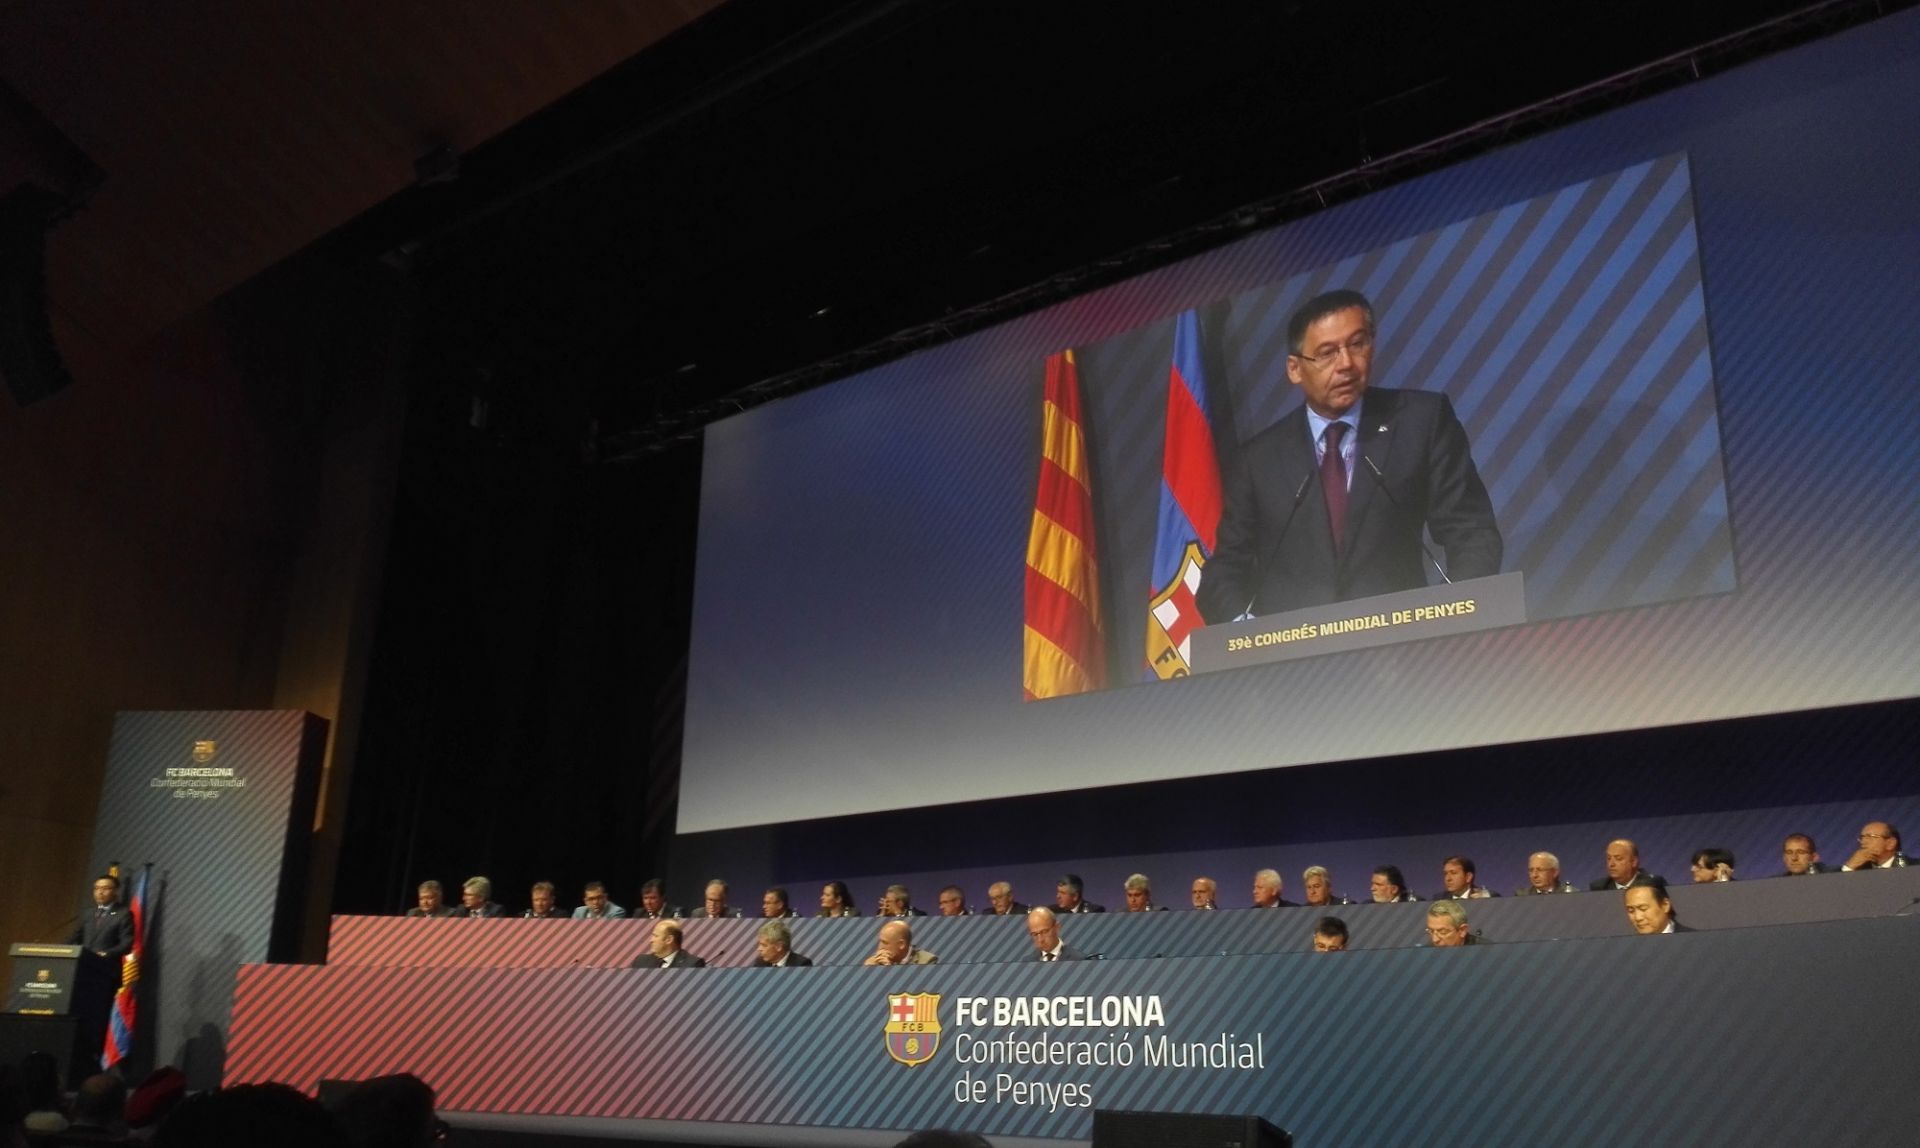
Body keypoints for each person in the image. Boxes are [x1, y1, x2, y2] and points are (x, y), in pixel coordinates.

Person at [1196, 288, 1502, 623]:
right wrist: (1250, 633)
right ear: (1295, 369)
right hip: (1294, 651)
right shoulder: (1259, 460)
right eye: (1327, 353)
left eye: (1357, 344)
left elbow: (1473, 535)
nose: (1346, 364)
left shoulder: (1421, 422)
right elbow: (1223, 575)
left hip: (1404, 643)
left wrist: (1451, 616)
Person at [68, 873, 135, 957]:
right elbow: (74, 938)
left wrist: (106, 953)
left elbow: (126, 945)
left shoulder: (123, 914)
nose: (100, 892)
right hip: (84, 962)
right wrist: (59, 950)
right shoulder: (88, 913)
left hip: (106, 962)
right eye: (97, 888)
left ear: (116, 891)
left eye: (105, 888)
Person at [1589, 839, 1663, 890]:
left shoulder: (1653, 884)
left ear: (1634, 862)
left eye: (1618, 858)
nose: (1611, 864)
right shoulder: (1600, 887)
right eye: (1608, 858)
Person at [631, 919, 707, 968]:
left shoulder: (692, 964)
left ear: (669, 940)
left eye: (656, 936)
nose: (651, 940)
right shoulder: (641, 961)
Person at [1623, 882, 1691, 934]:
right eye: (1631, 910)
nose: (1638, 918)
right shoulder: (1625, 945)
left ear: (1665, 905)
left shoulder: (1693, 938)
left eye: (1643, 908)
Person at [862, 920, 936, 966]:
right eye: (880, 941)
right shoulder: (877, 962)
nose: (879, 947)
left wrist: (888, 970)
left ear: (901, 944)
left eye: (885, 943)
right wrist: (868, 970)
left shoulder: (927, 961)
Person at [1841, 822, 1910, 870]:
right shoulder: (1858, 869)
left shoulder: (1912, 867)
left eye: (1870, 836)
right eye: (1862, 837)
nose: (1863, 842)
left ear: (1890, 843)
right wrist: (1849, 867)